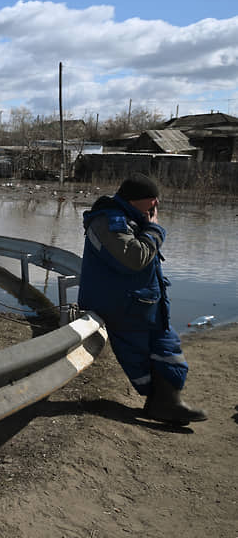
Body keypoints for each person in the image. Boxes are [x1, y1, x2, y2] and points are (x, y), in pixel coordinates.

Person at [78, 174, 207, 426]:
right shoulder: (108, 221)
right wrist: (155, 230)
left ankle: (168, 402)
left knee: (168, 348)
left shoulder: (132, 219)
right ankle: (160, 404)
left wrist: (150, 229)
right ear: (135, 201)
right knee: (139, 358)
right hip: (123, 307)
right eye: (151, 202)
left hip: (145, 303)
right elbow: (134, 259)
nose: (155, 208)